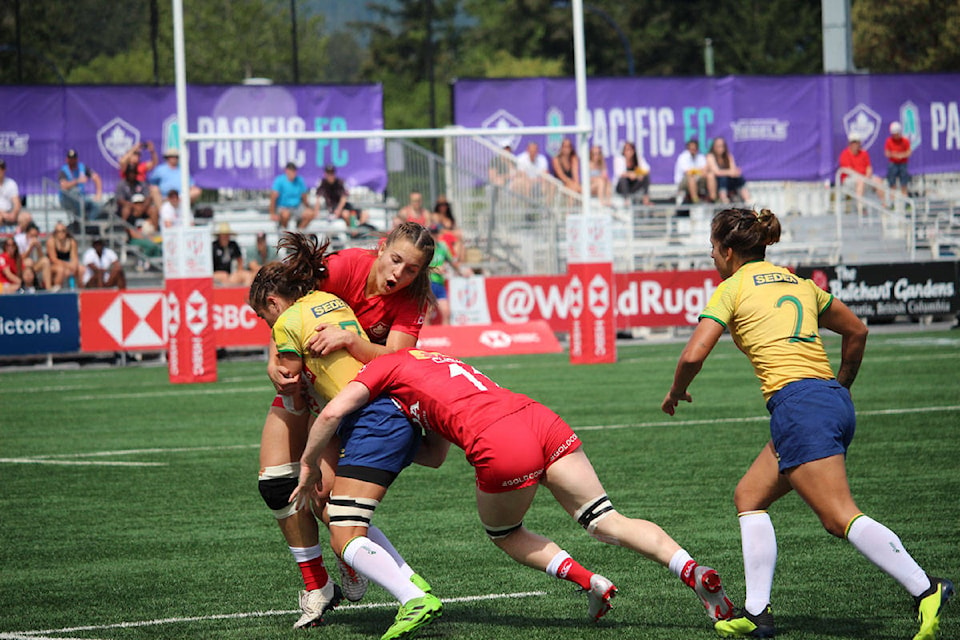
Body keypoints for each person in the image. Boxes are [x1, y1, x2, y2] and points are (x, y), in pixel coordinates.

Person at [292, 348, 736, 637]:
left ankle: (588, 580)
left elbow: (332, 412)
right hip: (538, 417)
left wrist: (311, 464)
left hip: (500, 440)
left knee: (505, 532)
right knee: (605, 520)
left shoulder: (382, 370)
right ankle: (691, 570)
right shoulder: (434, 358)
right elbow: (435, 453)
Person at [661, 207, 954, 640]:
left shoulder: (732, 288)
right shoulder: (798, 283)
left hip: (799, 407)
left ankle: (926, 588)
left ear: (727, 251)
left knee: (838, 517)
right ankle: (758, 614)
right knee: (749, 495)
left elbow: (692, 354)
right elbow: (857, 332)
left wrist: (675, 391)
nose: (711, 257)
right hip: (826, 401)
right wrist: (841, 387)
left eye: (711, 249)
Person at [248, 233, 439, 633]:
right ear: (382, 248)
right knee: (279, 485)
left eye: (412, 270)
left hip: (358, 402)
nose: (399, 274)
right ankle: (318, 586)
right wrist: (274, 362)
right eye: (396, 261)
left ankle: (394, 581)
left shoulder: (411, 299)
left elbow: (399, 360)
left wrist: (352, 339)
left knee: (328, 501)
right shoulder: (345, 266)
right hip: (317, 386)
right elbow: (287, 305)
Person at [426, 223, 468, 325]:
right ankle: (426, 339)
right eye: (433, 233)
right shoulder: (425, 249)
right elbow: (421, 267)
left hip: (439, 284)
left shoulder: (443, 247)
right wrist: (436, 269)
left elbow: (453, 263)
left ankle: (447, 337)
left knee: (447, 313)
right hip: (427, 284)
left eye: (437, 233)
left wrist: (463, 271)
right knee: (427, 314)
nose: (435, 236)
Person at [838, 133, 884, 213]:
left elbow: (869, 168)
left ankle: (885, 205)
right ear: (849, 143)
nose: (855, 144)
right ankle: (861, 207)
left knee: (877, 180)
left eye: (857, 142)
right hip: (849, 180)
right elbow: (849, 170)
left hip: (864, 178)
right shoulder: (845, 154)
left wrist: (867, 176)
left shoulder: (864, 153)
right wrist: (863, 178)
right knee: (861, 181)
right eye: (853, 142)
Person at [148, 147, 201, 214]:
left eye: (176, 157)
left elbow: (192, 185)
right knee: (154, 189)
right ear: (167, 158)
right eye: (172, 156)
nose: (174, 158)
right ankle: (163, 214)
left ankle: (179, 206)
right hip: (164, 198)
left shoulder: (183, 170)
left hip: (180, 198)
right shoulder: (160, 169)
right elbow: (151, 183)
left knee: (196, 191)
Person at [58, 149, 103, 220]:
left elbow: (96, 178)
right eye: (70, 159)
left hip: (81, 197)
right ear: (67, 159)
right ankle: (80, 220)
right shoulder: (63, 170)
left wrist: (98, 194)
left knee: (97, 204)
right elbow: (63, 186)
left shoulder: (82, 167)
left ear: (76, 159)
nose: (72, 161)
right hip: (68, 199)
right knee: (75, 192)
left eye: (73, 159)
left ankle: (89, 222)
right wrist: (78, 181)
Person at [270, 162, 314, 229]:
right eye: (291, 170)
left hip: (297, 206)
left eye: (294, 170)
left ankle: (298, 233)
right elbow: (273, 198)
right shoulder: (279, 180)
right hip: (283, 207)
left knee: (310, 214)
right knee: (285, 214)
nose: (292, 172)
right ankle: (285, 233)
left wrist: (309, 208)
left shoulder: (299, 180)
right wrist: (272, 213)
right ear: (286, 171)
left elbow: (304, 197)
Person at [706, 137, 751, 203]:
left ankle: (747, 198)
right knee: (723, 178)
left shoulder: (728, 156)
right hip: (717, 183)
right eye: (718, 146)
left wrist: (734, 172)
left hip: (729, 181)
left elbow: (733, 169)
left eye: (722, 146)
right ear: (714, 147)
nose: (720, 148)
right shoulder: (710, 156)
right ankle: (723, 198)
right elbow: (716, 172)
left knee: (739, 177)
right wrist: (730, 172)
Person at [115, 164, 159, 231]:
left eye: (133, 173)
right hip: (130, 207)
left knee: (153, 210)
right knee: (125, 209)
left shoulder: (141, 184)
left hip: (142, 207)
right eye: (130, 173)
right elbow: (120, 200)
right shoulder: (122, 184)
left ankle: (155, 232)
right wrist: (133, 206)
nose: (131, 175)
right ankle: (123, 231)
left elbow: (148, 197)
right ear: (127, 174)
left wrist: (143, 207)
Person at [212, 222, 253, 286]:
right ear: (219, 236)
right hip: (216, 274)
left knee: (247, 275)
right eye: (223, 235)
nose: (225, 237)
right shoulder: (214, 246)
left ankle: (245, 293)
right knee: (224, 276)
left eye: (227, 235)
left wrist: (239, 272)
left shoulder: (233, 245)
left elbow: (240, 260)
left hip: (230, 275)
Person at [674, 138, 713, 204]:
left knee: (710, 175)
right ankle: (695, 200)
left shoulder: (700, 157)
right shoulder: (683, 157)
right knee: (691, 177)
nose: (693, 150)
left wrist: (700, 171)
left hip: (698, 181)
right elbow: (688, 172)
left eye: (695, 148)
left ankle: (713, 199)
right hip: (683, 183)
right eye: (691, 148)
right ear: (688, 148)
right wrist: (700, 171)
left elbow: (705, 170)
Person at [15, 221, 51, 291]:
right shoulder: (19, 240)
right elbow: (20, 259)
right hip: (20, 267)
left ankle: (48, 289)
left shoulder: (37, 240)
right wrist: (30, 247)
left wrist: (39, 249)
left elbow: (42, 258)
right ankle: (25, 287)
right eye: (32, 235)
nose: (34, 238)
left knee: (45, 261)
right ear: (27, 233)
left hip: (32, 267)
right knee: (28, 261)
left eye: (36, 236)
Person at [614, 141, 652, 206]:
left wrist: (637, 174)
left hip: (633, 186)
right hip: (621, 187)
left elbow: (647, 169)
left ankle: (646, 199)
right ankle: (626, 200)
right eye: (626, 150)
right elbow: (619, 173)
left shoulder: (638, 159)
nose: (628, 152)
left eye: (630, 150)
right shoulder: (619, 159)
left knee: (646, 176)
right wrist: (630, 174)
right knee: (623, 179)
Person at [46, 222, 80, 290]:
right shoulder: (51, 242)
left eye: (63, 231)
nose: (61, 233)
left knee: (81, 269)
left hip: (67, 264)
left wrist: (73, 266)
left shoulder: (71, 242)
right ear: (55, 233)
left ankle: (80, 291)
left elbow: (74, 258)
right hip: (54, 265)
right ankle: (56, 290)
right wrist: (68, 266)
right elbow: (53, 259)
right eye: (58, 231)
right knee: (60, 270)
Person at [884, 121, 912, 203]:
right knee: (892, 183)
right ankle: (892, 202)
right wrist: (896, 156)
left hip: (903, 164)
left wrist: (901, 156)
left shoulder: (905, 141)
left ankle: (905, 202)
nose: (895, 136)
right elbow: (887, 153)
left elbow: (909, 152)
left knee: (904, 183)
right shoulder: (889, 141)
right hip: (893, 164)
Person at [430, 195, 463, 259]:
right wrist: (453, 233)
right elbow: (439, 230)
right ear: (438, 206)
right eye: (441, 205)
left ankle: (457, 262)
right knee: (450, 240)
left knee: (460, 242)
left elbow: (455, 228)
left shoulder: (449, 218)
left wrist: (456, 232)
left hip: (451, 237)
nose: (443, 207)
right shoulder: (436, 216)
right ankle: (453, 260)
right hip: (440, 237)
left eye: (445, 204)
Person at [0, 158, 27, 232]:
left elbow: (17, 202)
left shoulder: (11, 183)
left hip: (9, 212)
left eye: (1, 168)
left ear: (4, 170)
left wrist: (14, 214)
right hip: (2, 213)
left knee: (26, 217)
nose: (0, 171)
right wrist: (3, 214)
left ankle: (16, 237)